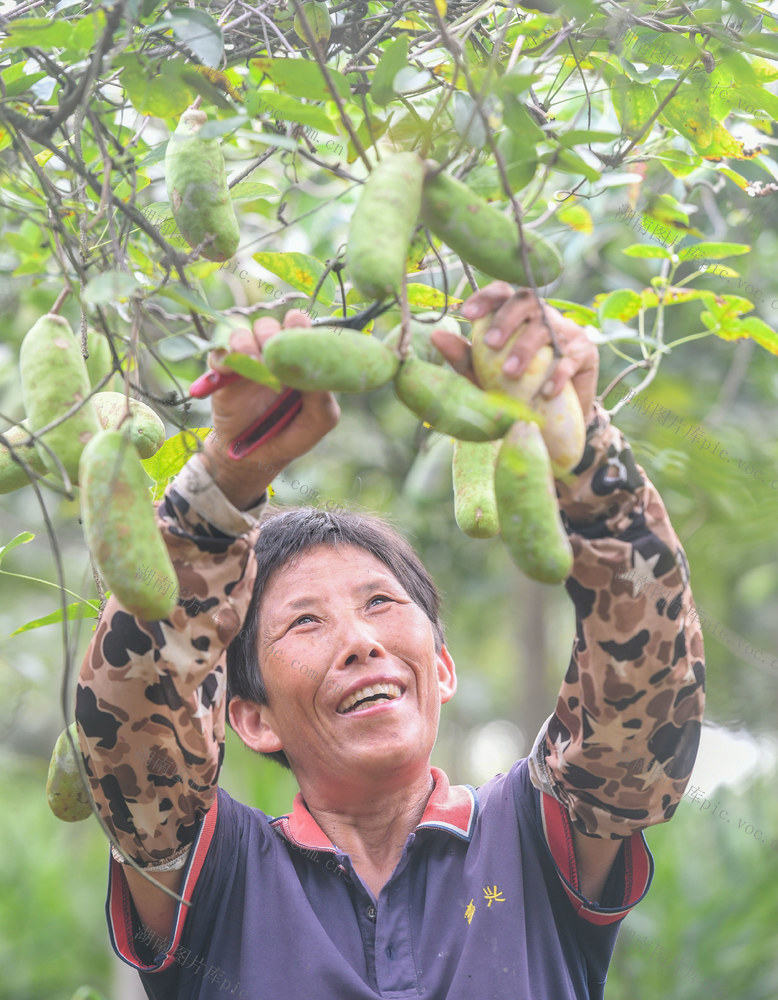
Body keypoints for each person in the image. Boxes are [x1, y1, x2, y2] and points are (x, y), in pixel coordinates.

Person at [75, 281, 705, 1000]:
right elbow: (128, 730)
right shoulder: (217, 874)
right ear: (251, 718)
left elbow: (646, 695)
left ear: (441, 668)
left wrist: (580, 445)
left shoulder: (532, 838)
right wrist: (227, 479)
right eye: (305, 621)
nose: (360, 642)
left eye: (380, 602)